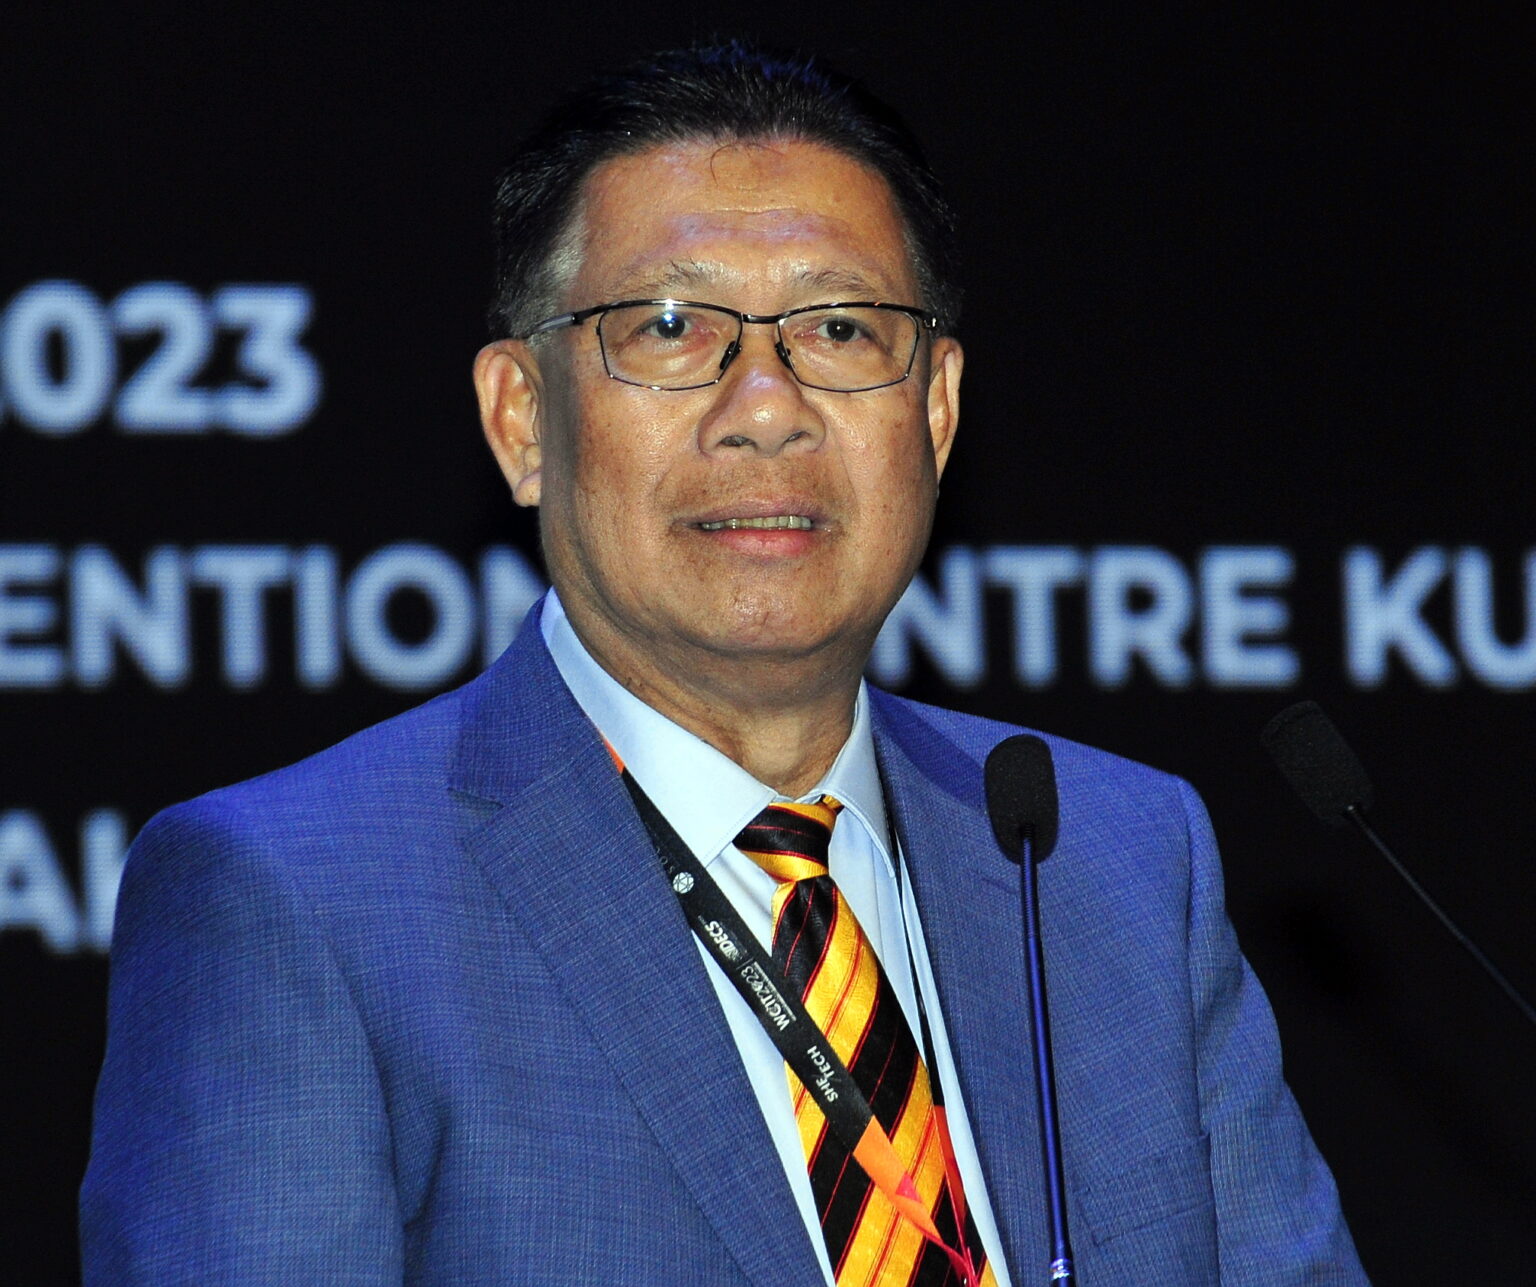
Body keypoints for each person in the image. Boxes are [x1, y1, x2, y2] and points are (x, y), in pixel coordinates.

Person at [81, 41, 1368, 1286]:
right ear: (522, 420)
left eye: (841, 330)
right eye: (671, 327)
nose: (766, 409)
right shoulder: (297, 900)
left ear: (935, 413)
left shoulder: (1115, 860)